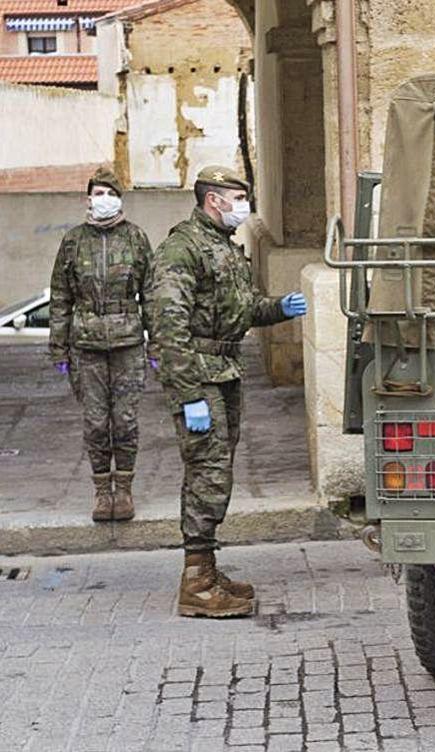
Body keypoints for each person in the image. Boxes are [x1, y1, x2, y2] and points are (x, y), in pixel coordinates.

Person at [149, 165, 308, 618]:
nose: (244, 208)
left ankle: (206, 569)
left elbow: (241, 310)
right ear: (212, 200)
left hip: (223, 369)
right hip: (199, 376)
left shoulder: (221, 246)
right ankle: (195, 584)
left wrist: (279, 307)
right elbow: (167, 328)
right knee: (207, 472)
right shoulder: (182, 250)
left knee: (216, 471)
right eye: (237, 199)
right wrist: (187, 395)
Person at [48, 167, 155, 523]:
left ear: (120, 199)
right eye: (98, 192)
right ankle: (101, 490)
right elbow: (61, 297)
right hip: (86, 345)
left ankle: (123, 489)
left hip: (127, 343)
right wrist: (58, 348)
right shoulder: (73, 241)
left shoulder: (136, 239)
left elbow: (152, 295)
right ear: (88, 198)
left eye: (111, 193)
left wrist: (156, 344)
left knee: (124, 421)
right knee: (95, 422)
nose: (104, 199)